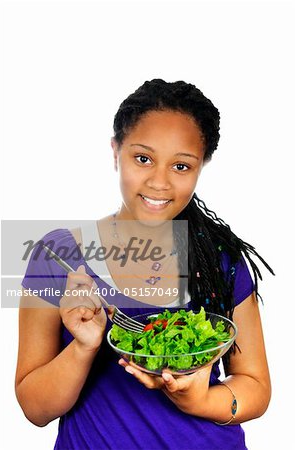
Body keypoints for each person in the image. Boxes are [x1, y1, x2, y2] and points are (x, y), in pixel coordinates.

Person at [15, 79, 274, 450]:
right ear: (115, 151)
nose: (159, 182)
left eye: (181, 166)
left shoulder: (219, 260)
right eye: (143, 158)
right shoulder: (58, 255)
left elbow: (256, 386)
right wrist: (83, 348)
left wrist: (199, 400)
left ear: (201, 167)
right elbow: (34, 408)